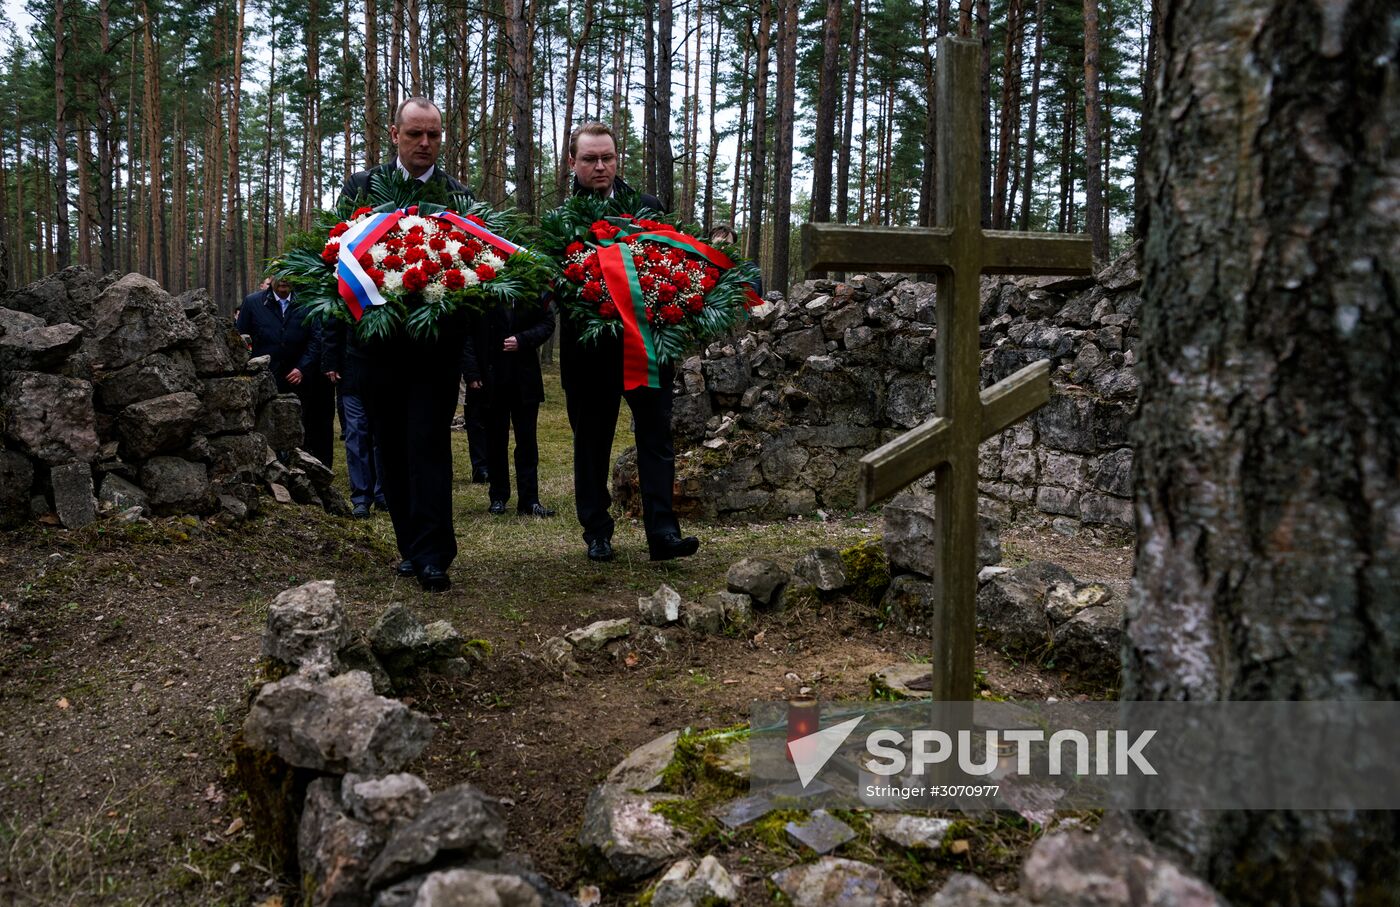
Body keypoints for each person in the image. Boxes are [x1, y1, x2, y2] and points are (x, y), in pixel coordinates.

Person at [339, 97, 474, 592]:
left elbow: (472, 270)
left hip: (435, 351)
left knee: (430, 444)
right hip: (376, 348)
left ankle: (436, 552)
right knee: (391, 447)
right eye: (415, 133)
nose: (425, 143)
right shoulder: (361, 187)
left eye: (433, 135)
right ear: (394, 133)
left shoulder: (457, 194)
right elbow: (339, 257)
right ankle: (409, 548)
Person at [559, 122, 699, 563]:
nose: (600, 167)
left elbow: (674, 265)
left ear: (617, 159)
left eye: (607, 158)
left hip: (647, 349)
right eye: (590, 159)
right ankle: (597, 531)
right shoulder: (561, 220)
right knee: (592, 443)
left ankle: (663, 533)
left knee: (655, 439)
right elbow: (556, 288)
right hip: (588, 355)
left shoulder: (647, 207)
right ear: (572, 162)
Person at [461, 296, 557, 518]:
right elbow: (468, 335)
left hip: (524, 380)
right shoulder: (481, 290)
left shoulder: (530, 288)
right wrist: (472, 373)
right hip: (490, 379)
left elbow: (547, 322)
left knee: (527, 442)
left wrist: (522, 340)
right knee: (495, 441)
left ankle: (529, 500)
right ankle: (498, 496)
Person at [236, 275, 335, 467]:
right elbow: (241, 336)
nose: (284, 281)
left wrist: (302, 368)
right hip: (264, 376)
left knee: (300, 422)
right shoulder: (253, 302)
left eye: (289, 276)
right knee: (266, 421)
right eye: (279, 276)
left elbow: (316, 339)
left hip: (298, 376)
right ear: (271, 279)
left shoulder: (306, 303)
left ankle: (298, 465)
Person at [322, 322, 386, 518]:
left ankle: (383, 493)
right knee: (356, 434)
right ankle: (361, 498)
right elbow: (331, 325)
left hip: (381, 372)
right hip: (349, 375)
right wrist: (331, 363)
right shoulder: (344, 292)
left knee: (381, 436)